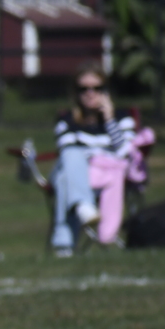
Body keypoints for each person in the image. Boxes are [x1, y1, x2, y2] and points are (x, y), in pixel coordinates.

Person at [49, 62, 135, 258]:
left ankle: (64, 245)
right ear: (75, 92)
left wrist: (110, 120)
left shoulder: (123, 119)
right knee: (71, 157)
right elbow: (66, 149)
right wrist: (99, 153)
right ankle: (83, 206)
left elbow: (124, 152)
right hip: (77, 173)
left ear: (106, 91)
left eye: (97, 88)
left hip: (103, 177)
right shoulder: (67, 120)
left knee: (64, 179)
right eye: (83, 89)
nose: (90, 93)